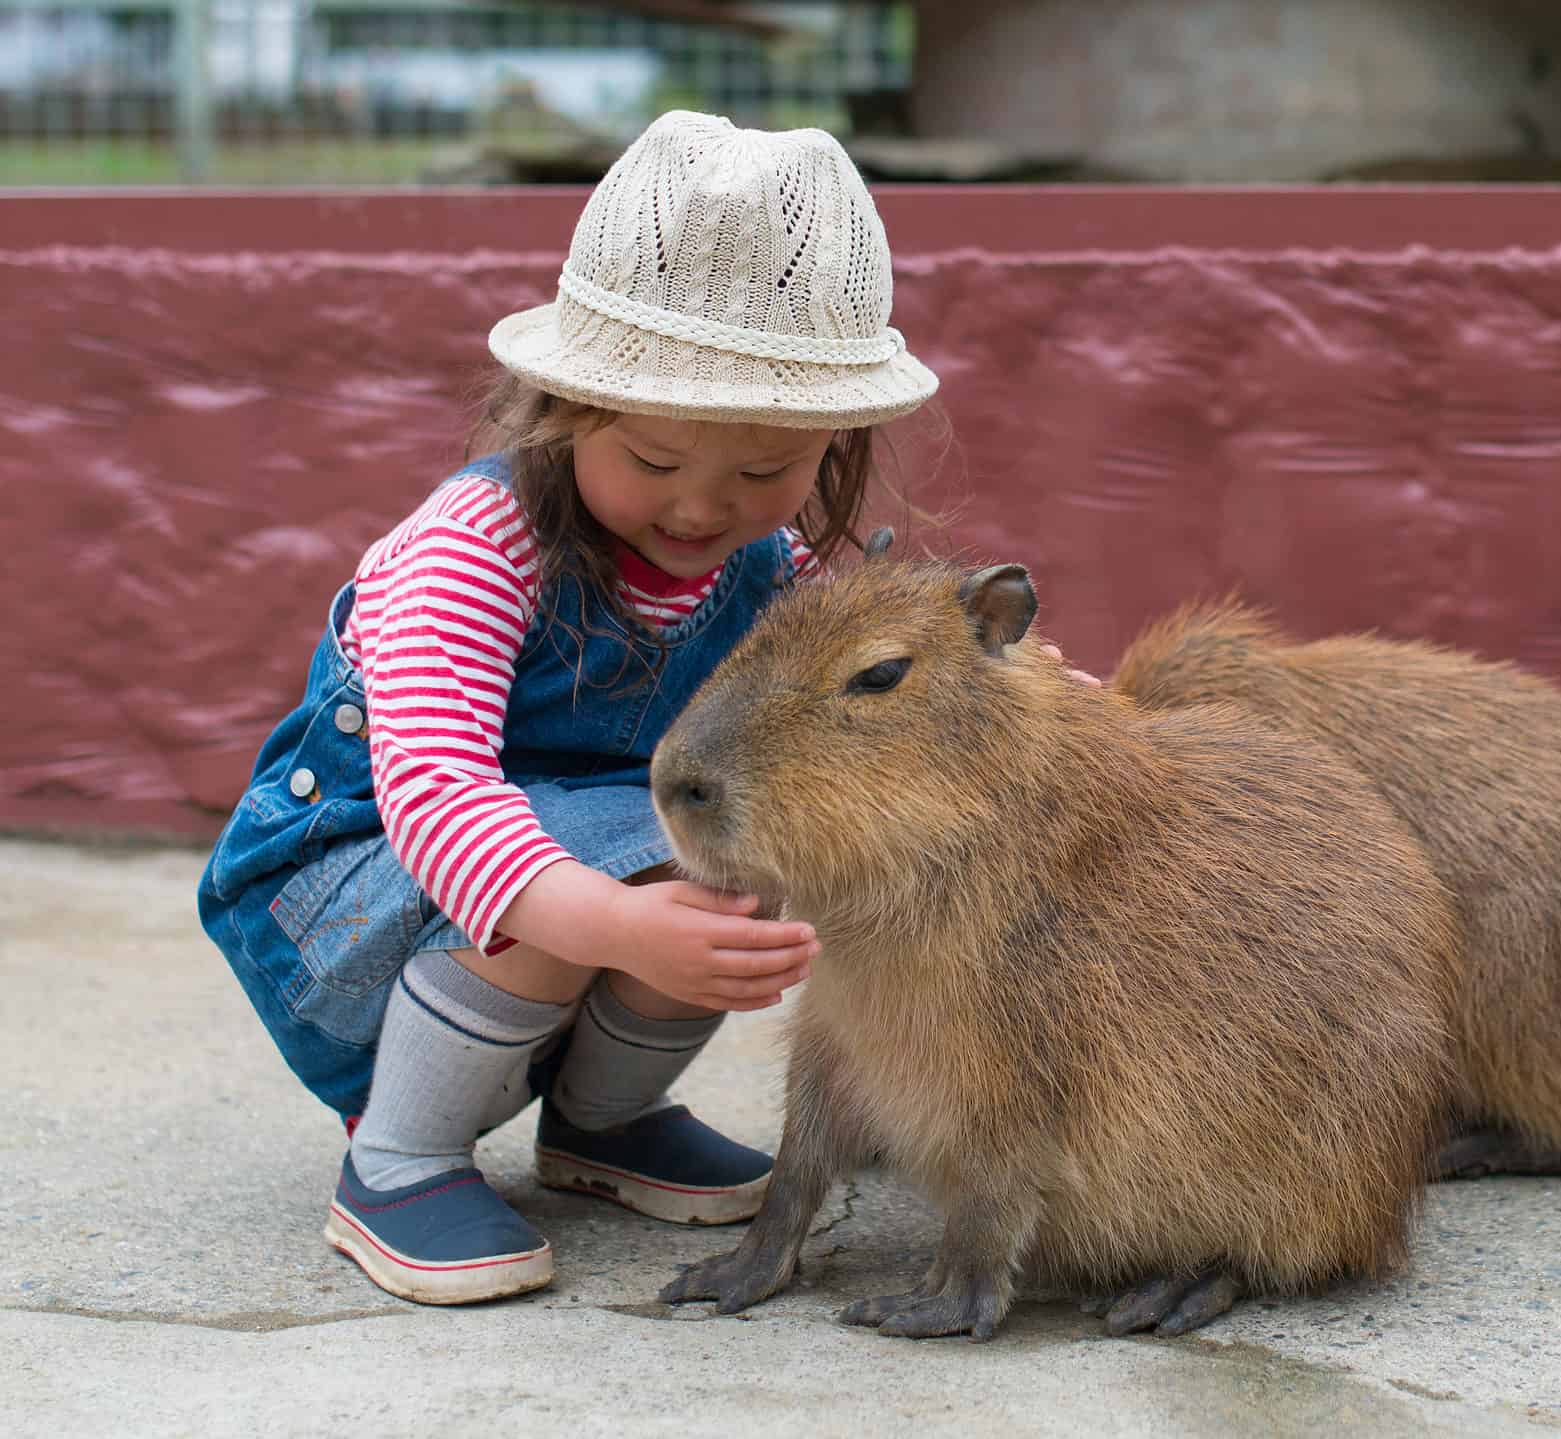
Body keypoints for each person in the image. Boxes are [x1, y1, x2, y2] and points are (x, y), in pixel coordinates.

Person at [196, 110, 1065, 1305]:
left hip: (554, 880)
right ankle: (398, 1157)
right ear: (561, 408)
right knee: (578, 893)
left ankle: (602, 1125)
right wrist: (612, 924)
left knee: (736, 848)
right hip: (350, 896)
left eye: (764, 472)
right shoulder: (471, 547)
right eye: (654, 463)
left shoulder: (774, 574)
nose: (702, 507)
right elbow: (437, 795)